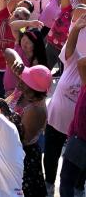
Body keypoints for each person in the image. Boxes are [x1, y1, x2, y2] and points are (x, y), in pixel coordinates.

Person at [44, 15, 86, 195]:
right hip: (56, 120)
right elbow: (71, 48)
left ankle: (78, 187)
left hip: (79, 132)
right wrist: (76, 28)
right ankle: (49, 183)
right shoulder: (74, 62)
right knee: (50, 155)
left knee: (75, 167)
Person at [6, 63, 51, 197]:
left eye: (25, 79)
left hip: (23, 157)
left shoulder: (35, 110)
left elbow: (21, 140)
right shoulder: (24, 94)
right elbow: (10, 54)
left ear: (33, 89)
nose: (20, 79)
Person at [59, 56, 86, 197]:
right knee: (74, 182)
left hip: (80, 141)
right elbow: (82, 63)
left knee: (67, 182)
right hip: (78, 139)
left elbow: (82, 63)